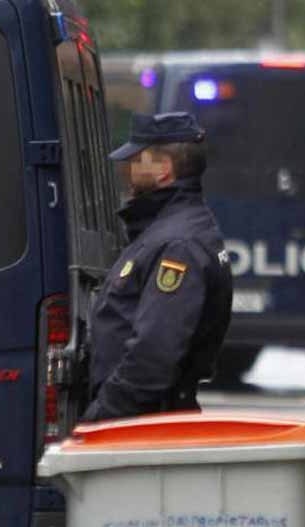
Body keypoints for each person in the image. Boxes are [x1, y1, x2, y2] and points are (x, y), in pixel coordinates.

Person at [82, 112, 233, 421]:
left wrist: (101, 417)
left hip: (141, 421)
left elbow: (153, 353)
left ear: (164, 169)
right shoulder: (170, 229)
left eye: (138, 160)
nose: (128, 168)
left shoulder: (178, 245)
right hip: (144, 416)